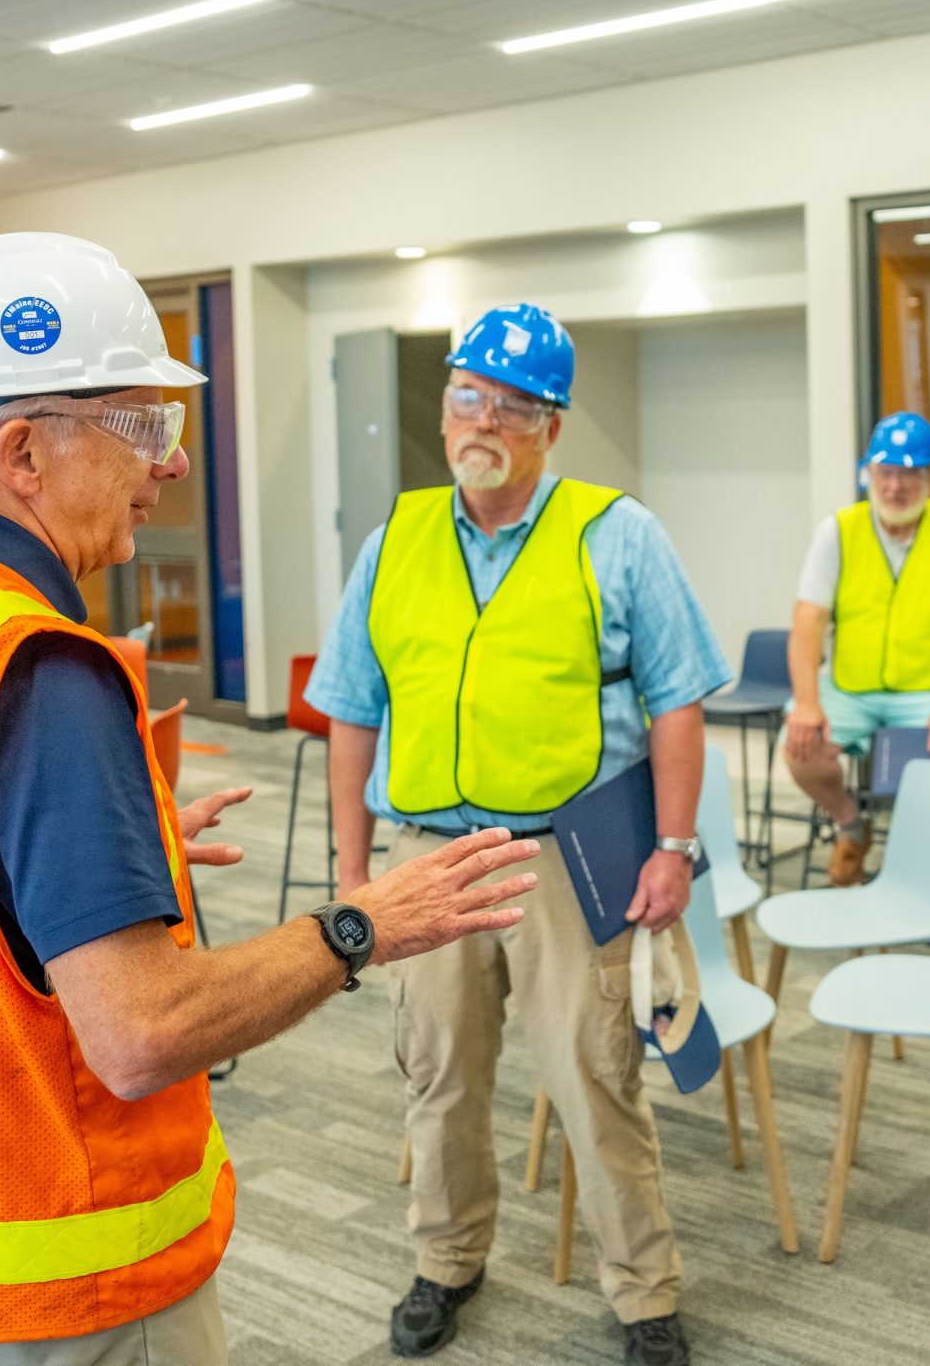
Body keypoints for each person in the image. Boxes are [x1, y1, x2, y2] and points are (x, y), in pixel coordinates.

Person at [0, 233, 539, 1363]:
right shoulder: (38, 667)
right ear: (21, 451)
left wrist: (115, 835)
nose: (167, 466)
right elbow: (141, 1030)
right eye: (142, 428)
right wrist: (364, 924)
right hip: (63, 1266)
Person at [310, 302, 730, 1366]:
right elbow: (353, 707)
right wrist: (351, 867)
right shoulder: (393, 539)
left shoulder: (616, 532)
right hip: (427, 855)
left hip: (560, 855)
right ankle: (445, 1261)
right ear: (445, 406)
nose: (481, 417)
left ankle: (645, 1290)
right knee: (437, 1074)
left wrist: (672, 847)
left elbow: (679, 700)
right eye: (466, 395)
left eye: (511, 402)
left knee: (595, 1076)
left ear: (550, 424)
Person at [782, 411, 930, 884]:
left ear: (928, 477)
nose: (896, 486)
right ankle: (852, 825)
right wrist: (808, 704)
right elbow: (807, 619)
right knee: (799, 750)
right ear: (869, 474)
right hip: (848, 689)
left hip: (929, 693)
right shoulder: (837, 531)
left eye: (909, 473)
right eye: (887, 472)